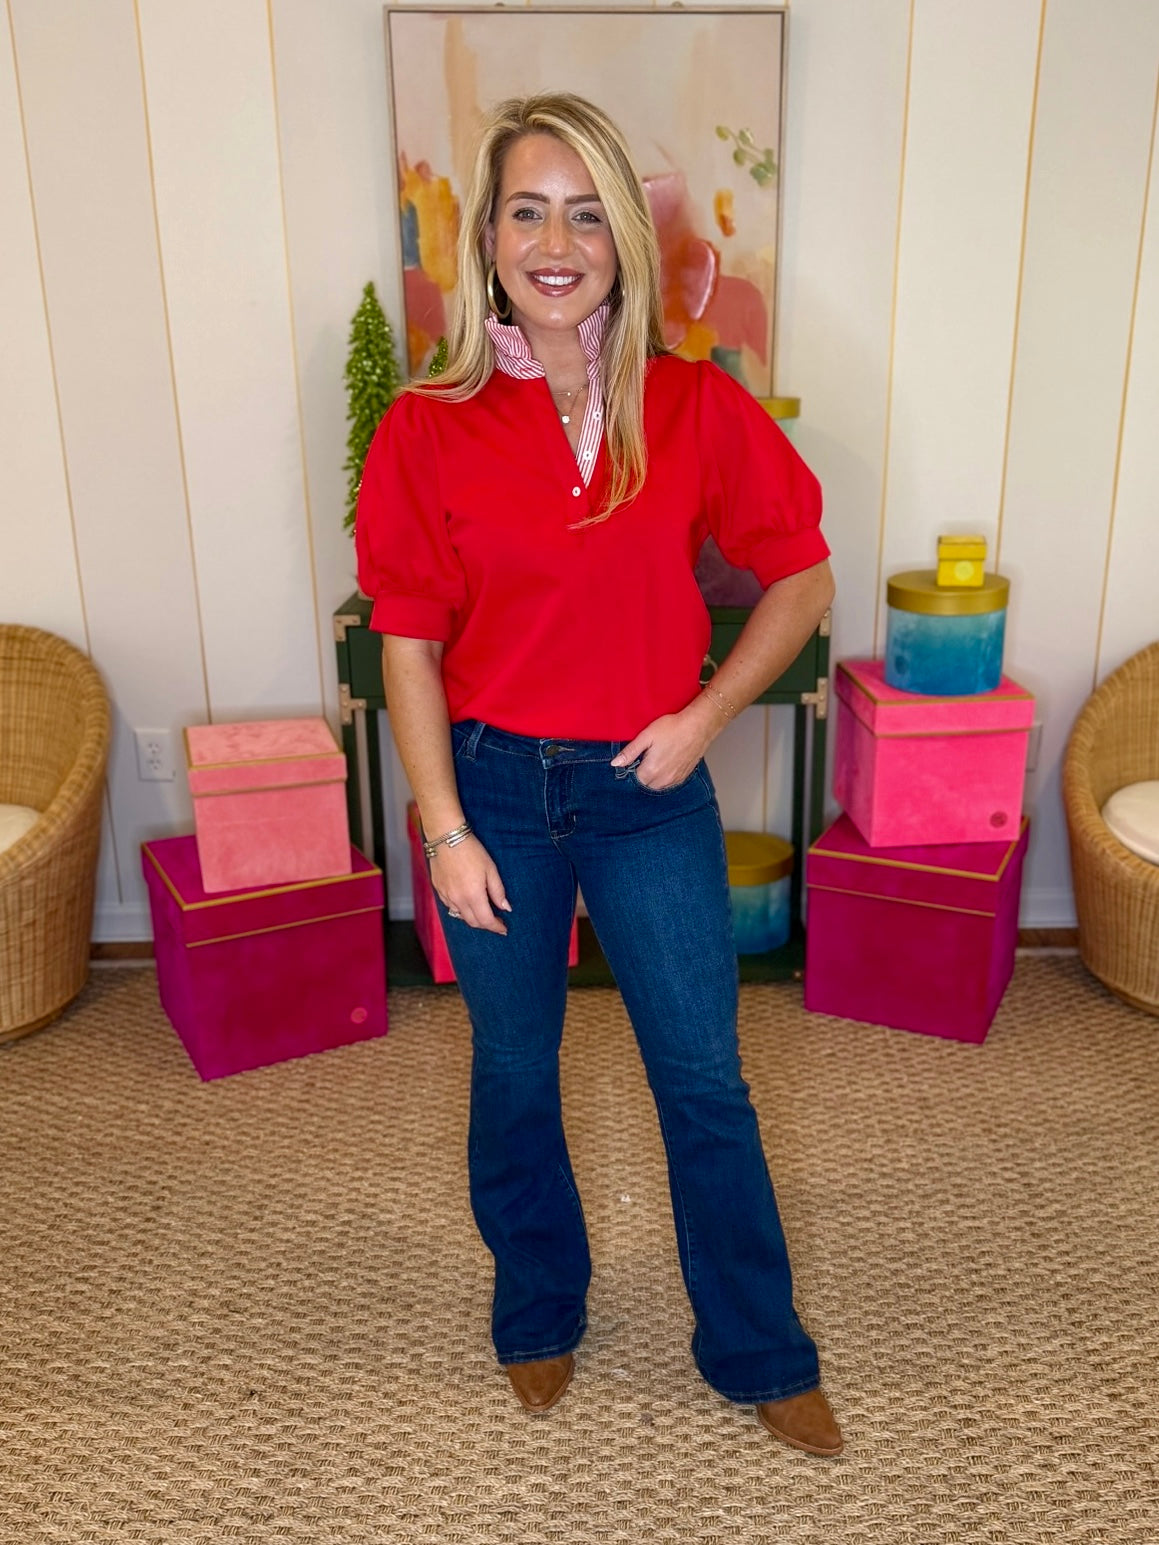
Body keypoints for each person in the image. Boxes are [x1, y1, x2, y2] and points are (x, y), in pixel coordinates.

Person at [355, 93, 841, 1457]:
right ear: (493, 240)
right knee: (515, 1068)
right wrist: (443, 828)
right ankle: (537, 1310)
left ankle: (757, 1344)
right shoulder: (426, 427)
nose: (555, 238)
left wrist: (704, 715)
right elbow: (406, 643)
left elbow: (800, 578)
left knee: (704, 1078)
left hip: (646, 793)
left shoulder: (690, 405)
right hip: (496, 792)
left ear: (622, 238)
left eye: (584, 210)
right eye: (526, 208)